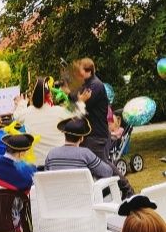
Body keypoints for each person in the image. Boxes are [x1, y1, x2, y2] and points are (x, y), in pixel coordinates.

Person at [71, 58, 134, 198]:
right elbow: (73, 98)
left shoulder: (96, 86)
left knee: (102, 163)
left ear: (88, 71)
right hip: (88, 132)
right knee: (93, 164)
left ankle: (127, 189)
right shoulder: (86, 84)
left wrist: (78, 99)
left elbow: (81, 105)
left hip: (97, 133)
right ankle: (106, 193)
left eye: (80, 70)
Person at [12, 77, 77, 166]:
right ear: (49, 96)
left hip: (36, 165)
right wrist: (70, 93)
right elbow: (75, 112)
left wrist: (21, 103)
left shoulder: (27, 112)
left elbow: (16, 116)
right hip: (58, 163)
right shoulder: (58, 111)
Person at [44, 117, 114, 180]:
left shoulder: (52, 153)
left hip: (56, 193)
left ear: (65, 135)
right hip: (81, 194)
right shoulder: (85, 154)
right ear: (81, 138)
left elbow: (46, 176)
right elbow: (107, 172)